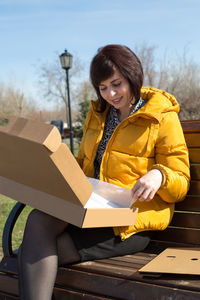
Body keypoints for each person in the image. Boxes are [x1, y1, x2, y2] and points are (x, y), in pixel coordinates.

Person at [18, 44, 190, 299]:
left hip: (130, 223)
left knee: (33, 251)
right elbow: (82, 165)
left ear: (132, 76)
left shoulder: (160, 116)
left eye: (116, 83)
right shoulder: (98, 114)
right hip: (91, 211)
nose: (110, 94)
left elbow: (181, 180)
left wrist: (159, 175)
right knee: (37, 220)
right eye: (103, 87)